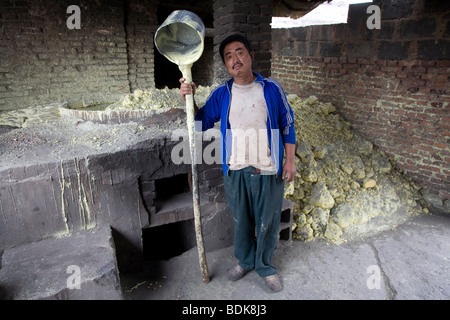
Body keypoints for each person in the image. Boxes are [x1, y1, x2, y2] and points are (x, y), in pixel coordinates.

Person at [179, 34, 296, 292]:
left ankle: (265, 266)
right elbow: (200, 123)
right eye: (228, 56)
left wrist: (289, 160)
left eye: (240, 52)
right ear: (225, 64)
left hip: (268, 168)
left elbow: (288, 124)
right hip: (235, 169)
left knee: (268, 221)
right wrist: (188, 98)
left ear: (251, 56)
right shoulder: (222, 93)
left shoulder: (272, 89)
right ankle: (245, 261)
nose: (235, 59)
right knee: (241, 221)